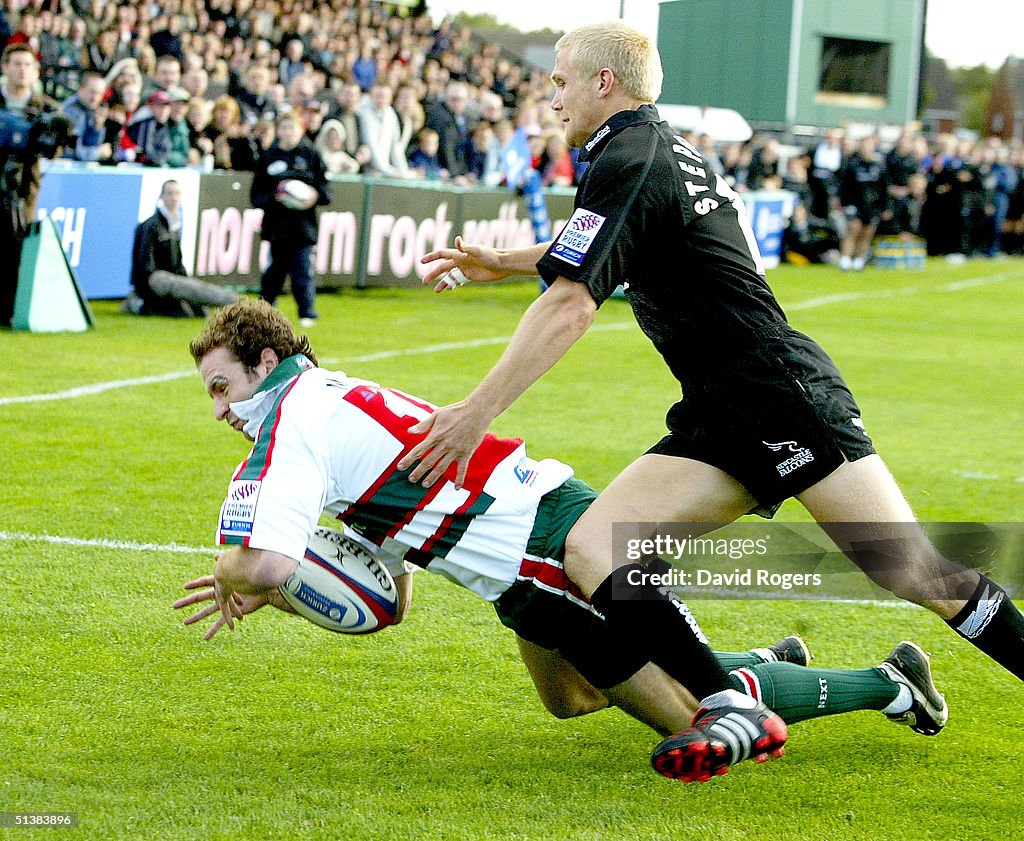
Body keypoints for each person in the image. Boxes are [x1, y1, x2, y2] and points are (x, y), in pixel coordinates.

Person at [412, 21, 1024, 782]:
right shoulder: (639, 149)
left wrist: (474, 413)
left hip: (783, 399)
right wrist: (501, 260)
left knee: (914, 573)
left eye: (563, 78)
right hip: (718, 411)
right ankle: (729, 699)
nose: (554, 92)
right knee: (595, 548)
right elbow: (604, 241)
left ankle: (748, 687)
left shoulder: (633, 153)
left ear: (605, 83)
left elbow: (572, 304)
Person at [175, 299, 949, 780]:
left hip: (544, 548)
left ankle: (888, 681)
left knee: (689, 714)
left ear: (264, 363)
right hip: (522, 561)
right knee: (569, 697)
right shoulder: (328, 401)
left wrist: (237, 571)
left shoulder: (292, 422)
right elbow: (386, 594)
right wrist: (277, 589)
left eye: (222, 387)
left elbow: (267, 556)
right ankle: (762, 663)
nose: (218, 410)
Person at [250, 110, 330, 327]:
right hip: (277, 226)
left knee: (302, 270)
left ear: (300, 130)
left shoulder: (310, 155)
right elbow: (256, 194)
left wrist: (312, 195)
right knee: (274, 271)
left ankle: (307, 312)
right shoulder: (269, 156)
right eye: (283, 128)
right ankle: (265, 308)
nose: (287, 132)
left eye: (291, 127)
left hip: (303, 227)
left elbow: (325, 191)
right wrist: (276, 198)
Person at [126, 179, 239, 317]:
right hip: (154, 279)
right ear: (162, 196)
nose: (173, 197)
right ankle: (233, 300)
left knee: (196, 306)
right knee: (183, 292)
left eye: (176, 193)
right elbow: (145, 264)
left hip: (170, 278)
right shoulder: (151, 226)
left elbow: (178, 263)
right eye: (169, 193)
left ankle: (232, 301)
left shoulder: (174, 225)